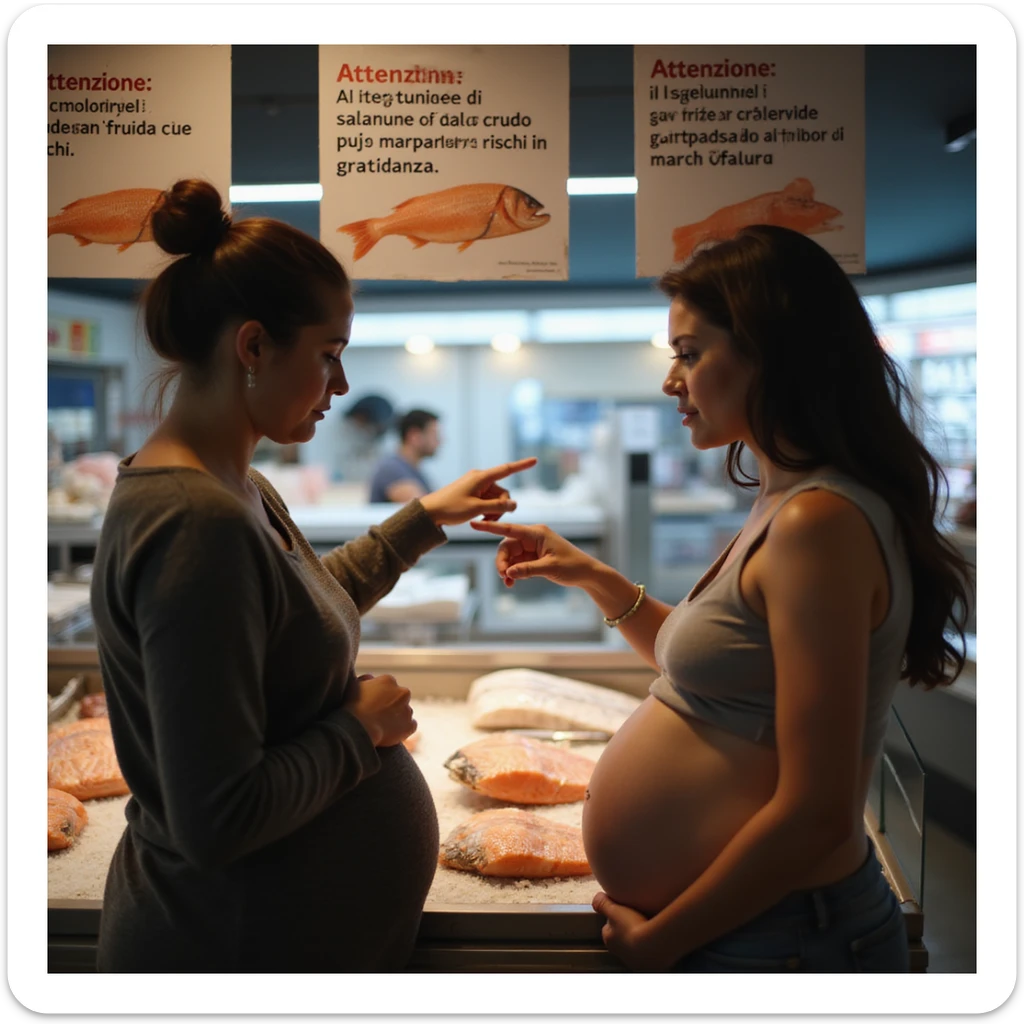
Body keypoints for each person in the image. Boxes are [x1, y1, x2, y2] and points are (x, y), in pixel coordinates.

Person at [471, 225, 973, 973]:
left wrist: (664, 940)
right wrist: (593, 577)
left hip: (781, 934)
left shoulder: (819, 521)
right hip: (757, 924)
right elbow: (727, 673)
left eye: (689, 354)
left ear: (772, 353)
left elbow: (818, 811)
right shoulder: (789, 497)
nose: (672, 381)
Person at [88, 178, 536, 973]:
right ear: (254, 346)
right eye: (328, 354)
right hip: (233, 947)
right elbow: (218, 818)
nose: (343, 385)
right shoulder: (197, 516)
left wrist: (425, 518)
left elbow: (296, 611)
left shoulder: (234, 485)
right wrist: (359, 732)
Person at [368, 408, 441, 503]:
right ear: (414, 436)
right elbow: (423, 508)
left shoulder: (414, 471)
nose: (440, 441)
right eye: (434, 434)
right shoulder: (391, 469)